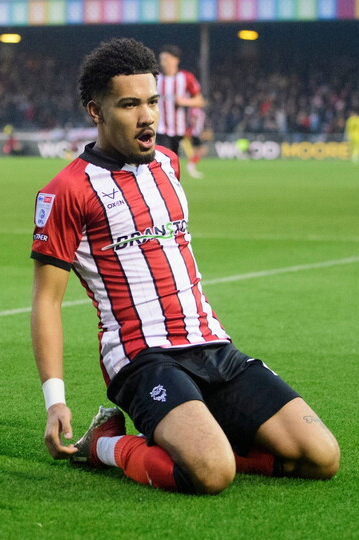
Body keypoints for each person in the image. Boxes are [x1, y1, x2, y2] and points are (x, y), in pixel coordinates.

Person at [30, 38, 340, 496]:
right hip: (142, 357)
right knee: (212, 474)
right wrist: (54, 400)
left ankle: (200, 436)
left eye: (152, 101)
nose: (148, 116)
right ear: (96, 111)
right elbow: (46, 301)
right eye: (130, 104)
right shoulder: (67, 191)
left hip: (211, 343)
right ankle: (106, 443)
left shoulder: (168, 165)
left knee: (320, 457)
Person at [156, 44, 205, 178]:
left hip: (180, 130)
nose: (163, 62)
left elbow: (200, 101)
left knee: (173, 162)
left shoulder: (186, 78)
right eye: (161, 59)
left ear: (175, 60)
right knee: (163, 161)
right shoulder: (156, 78)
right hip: (161, 129)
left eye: (166, 59)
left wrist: (184, 101)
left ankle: (174, 188)